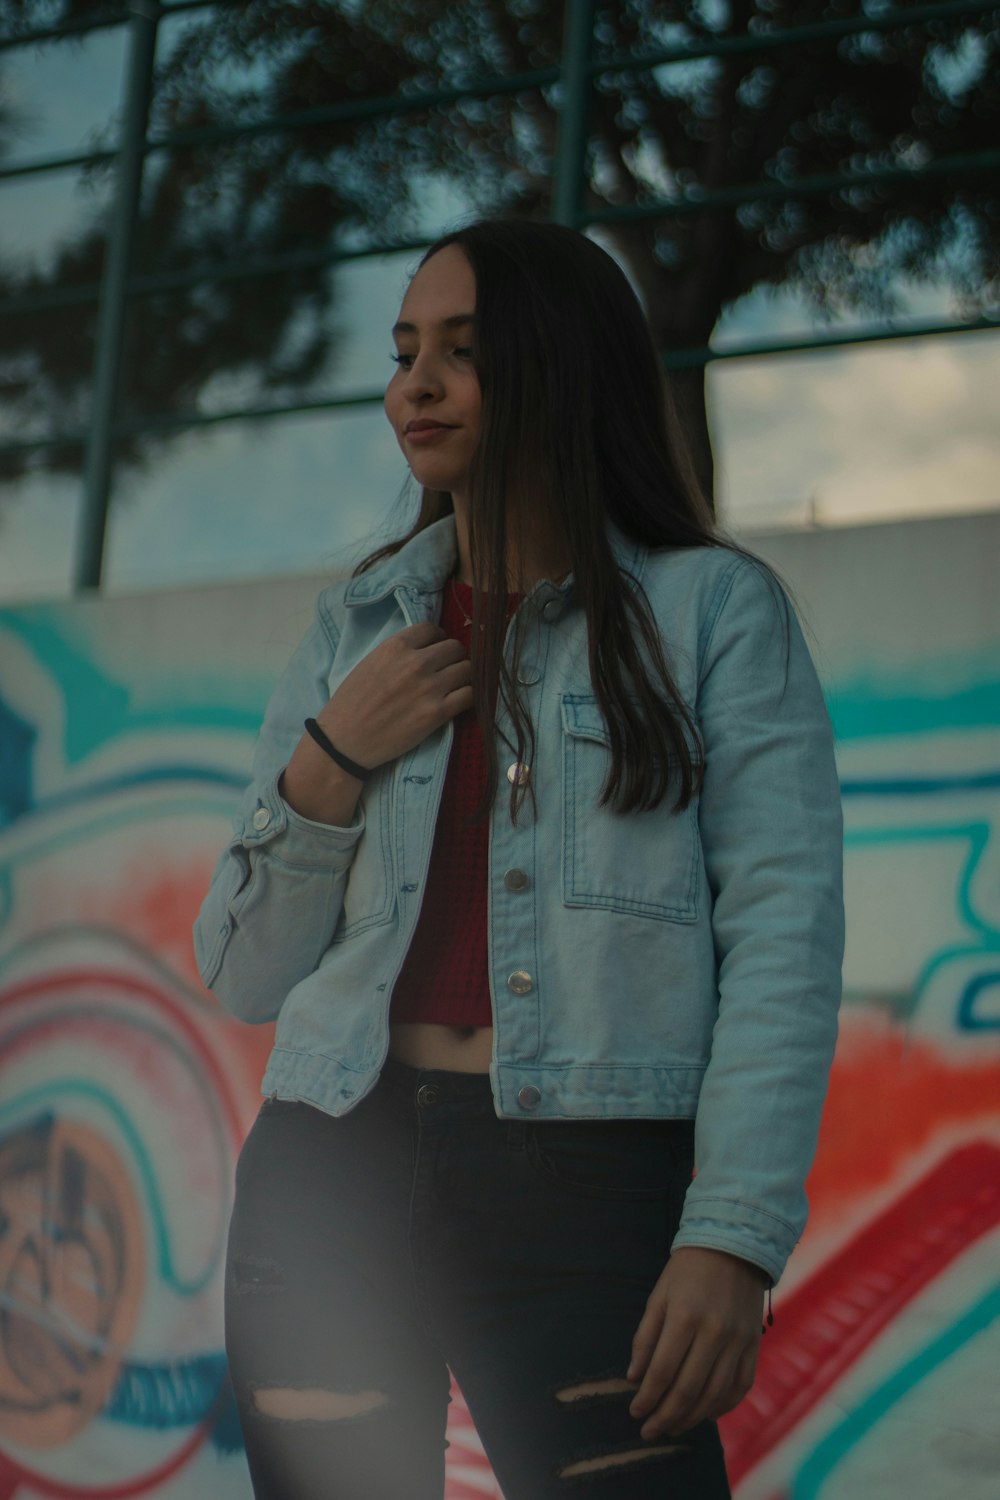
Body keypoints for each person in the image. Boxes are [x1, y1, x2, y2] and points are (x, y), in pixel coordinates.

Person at [194, 217, 844, 1500]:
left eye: (461, 353)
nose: (412, 388)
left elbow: (781, 937)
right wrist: (332, 755)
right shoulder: (358, 625)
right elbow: (241, 971)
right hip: (328, 1166)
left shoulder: (712, 616)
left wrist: (733, 1236)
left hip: (588, 1183)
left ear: (556, 367)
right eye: (401, 354)